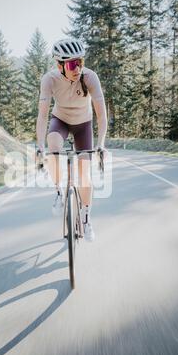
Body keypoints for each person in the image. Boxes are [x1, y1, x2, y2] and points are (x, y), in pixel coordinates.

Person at [36, 38, 107, 242]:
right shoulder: (49, 80)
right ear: (60, 66)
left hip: (83, 124)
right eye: (72, 64)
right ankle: (59, 191)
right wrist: (40, 146)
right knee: (53, 146)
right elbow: (42, 116)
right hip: (61, 121)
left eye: (80, 62)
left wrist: (101, 143)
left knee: (85, 173)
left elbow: (101, 116)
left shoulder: (90, 77)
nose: (78, 68)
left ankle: (86, 217)